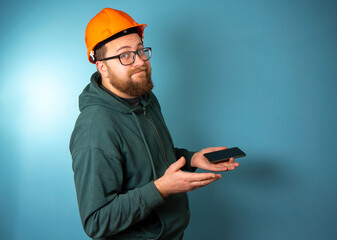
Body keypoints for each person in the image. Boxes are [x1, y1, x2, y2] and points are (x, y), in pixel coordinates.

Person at [70, 8, 239, 240]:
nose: (139, 61)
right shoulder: (95, 129)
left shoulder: (145, 98)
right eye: (125, 55)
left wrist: (192, 158)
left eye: (140, 50)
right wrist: (161, 189)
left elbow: (151, 161)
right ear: (102, 68)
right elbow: (96, 222)